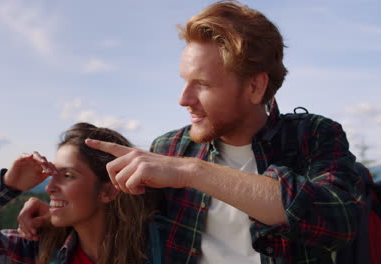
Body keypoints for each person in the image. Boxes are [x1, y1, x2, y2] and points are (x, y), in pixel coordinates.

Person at [83, 1, 363, 263]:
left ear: (255, 87)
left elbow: (339, 221)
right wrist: (50, 221)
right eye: (184, 81)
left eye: (202, 84)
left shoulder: (312, 136)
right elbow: (124, 227)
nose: (183, 99)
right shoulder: (169, 148)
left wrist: (191, 172)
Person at [0, 122, 158, 264]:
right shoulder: (38, 250)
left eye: (67, 175)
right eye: (53, 174)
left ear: (108, 190)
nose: (49, 187)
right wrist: (8, 184)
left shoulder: (157, 248)